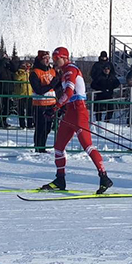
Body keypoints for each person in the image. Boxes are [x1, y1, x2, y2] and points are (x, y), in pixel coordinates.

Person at [40, 47, 112, 194]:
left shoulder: (70, 70)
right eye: (53, 58)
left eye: (57, 58)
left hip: (78, 111)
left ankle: (104, 176)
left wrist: (55, 108)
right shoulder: (64, 72)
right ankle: (60, 179)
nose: (55, 61)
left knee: (87, 145)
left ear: (65, 58)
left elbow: (69, 92)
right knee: (59, 146)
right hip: (70, 112)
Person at [29, 50, 58, 153]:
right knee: (40, 128)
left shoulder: (52, 71)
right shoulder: (35, 72)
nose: (47, 60)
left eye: (48, 58)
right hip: (39, 105)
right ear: (40, 59)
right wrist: (51, 85)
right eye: (45, 58)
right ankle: (38, 148)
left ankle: (43, 147)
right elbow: (38, 90)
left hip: (51, 104)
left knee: (47, 128)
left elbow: (57, 85)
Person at [13, 61, 34, 129]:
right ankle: (22, 124)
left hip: (29, 93)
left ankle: (29, 124)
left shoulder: (30, 72)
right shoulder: (19, 72)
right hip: (21, 93)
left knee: (29, 110)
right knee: (21, 110)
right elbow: (17, 78)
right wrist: (24, 72)